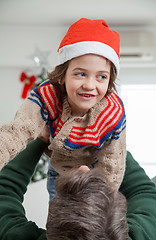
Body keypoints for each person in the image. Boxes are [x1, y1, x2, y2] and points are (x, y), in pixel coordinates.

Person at [0, 18, 126, 193]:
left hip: (94, 173)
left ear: (110, 81)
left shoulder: (112, 112)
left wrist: (104, 195)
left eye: (101, 77)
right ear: (62, 76)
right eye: (81, 74)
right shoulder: (47, 97)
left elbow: (113, 162)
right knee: (59, 215)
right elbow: (16, 132)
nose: (90, 85)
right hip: (60, 172)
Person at [0, 128, 156, 239]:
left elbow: (4, 192)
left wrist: (40, 139)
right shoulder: (144, 233)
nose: (83, 167)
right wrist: (108, 140)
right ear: (122, 225)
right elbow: (144, 193)